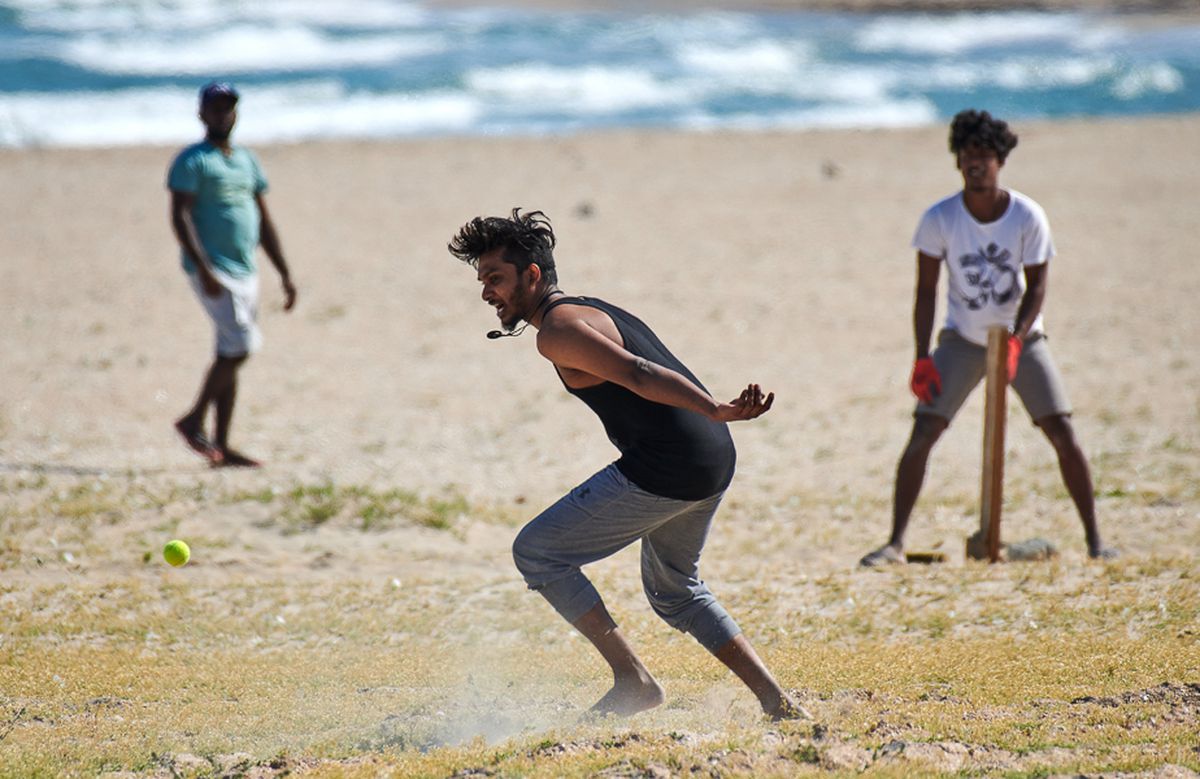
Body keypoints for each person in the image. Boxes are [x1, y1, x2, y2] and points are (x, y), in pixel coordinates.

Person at [449, 208, 805, 720]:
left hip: (670, 464)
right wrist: (715, 417)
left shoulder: (557, 331)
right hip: (712, 457)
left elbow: (639, 372)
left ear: (532, 275)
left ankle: (634, 681)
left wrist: (714, 407)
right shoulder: (586, 308)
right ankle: (776, 701)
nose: (487, 293)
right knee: (676, 591)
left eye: (495, 279)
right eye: (483, 281)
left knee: (538, 552)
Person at [860, 109, 1117, 566]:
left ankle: (1096, 540)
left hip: (1023, 340)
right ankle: (895, 543)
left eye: (984, 156)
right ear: (957, 161)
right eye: (967, 155)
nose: (975, 163)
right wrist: (922, 357)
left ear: (1000, 160)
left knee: (1060, 429)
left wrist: (1017, 339)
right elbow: (925, 291)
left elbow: (1037, 286)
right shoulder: (939, 218)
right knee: (924, 430)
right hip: (962, 339)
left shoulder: (1026, 215)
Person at [167, 82, 297, 468]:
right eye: (215, 108)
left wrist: (284, 272)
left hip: (246, 268)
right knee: (240, 347)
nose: (222, 115)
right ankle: (193, 420)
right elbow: (180, 217)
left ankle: (221, 447)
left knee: (229, 350)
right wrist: (204, 267)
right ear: (201, 113)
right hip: (213, 269)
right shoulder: (192, 161)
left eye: (228, 108)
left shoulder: (247, 161)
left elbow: (263, 220)